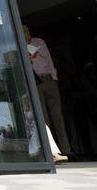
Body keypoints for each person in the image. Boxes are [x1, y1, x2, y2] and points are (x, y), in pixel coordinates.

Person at [23, 23, 70, 162]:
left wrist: (54, 77)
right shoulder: (20, 46)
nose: (25, 33)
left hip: (48, 79)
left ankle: (66, 149)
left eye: (26, 30)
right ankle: (52, 151)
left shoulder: (39, 42)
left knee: (58, 115)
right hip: (35, 83)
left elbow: (49, 59)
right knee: (44, 118)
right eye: (22, 31)